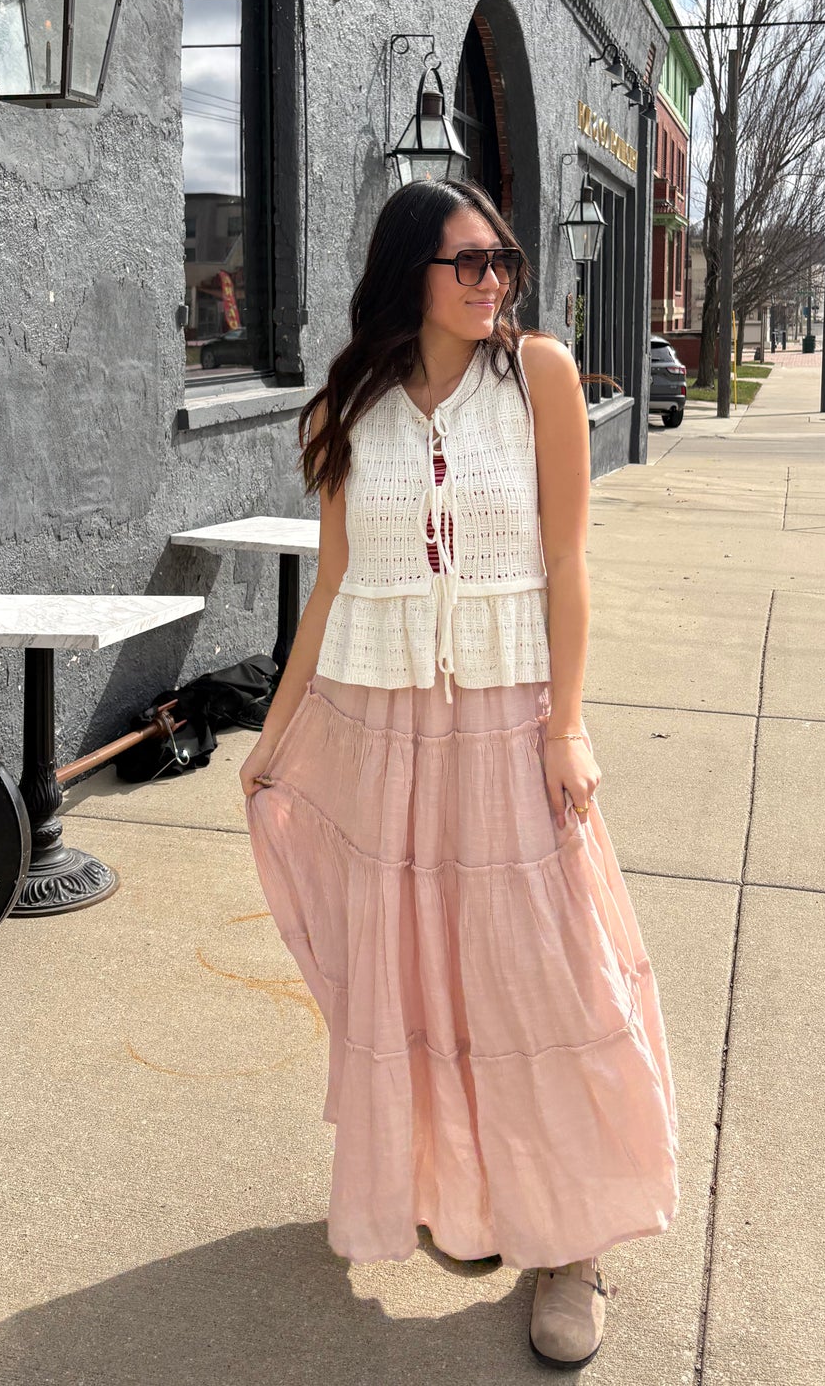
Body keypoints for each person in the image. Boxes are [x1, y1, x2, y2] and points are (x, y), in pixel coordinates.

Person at [241, 178, 679, 1367]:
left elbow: (568, 563)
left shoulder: (535, 374)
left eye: (505, 261)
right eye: (470, 263)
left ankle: (572, 1239)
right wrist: (274, 735)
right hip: (386, 733)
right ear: (407, 277)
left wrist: (566, 724)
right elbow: (330, 587)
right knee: (422, 980)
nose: (495, 282)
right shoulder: (349, 403)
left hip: (507, 721)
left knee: (549, 980)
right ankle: (465, 1187)